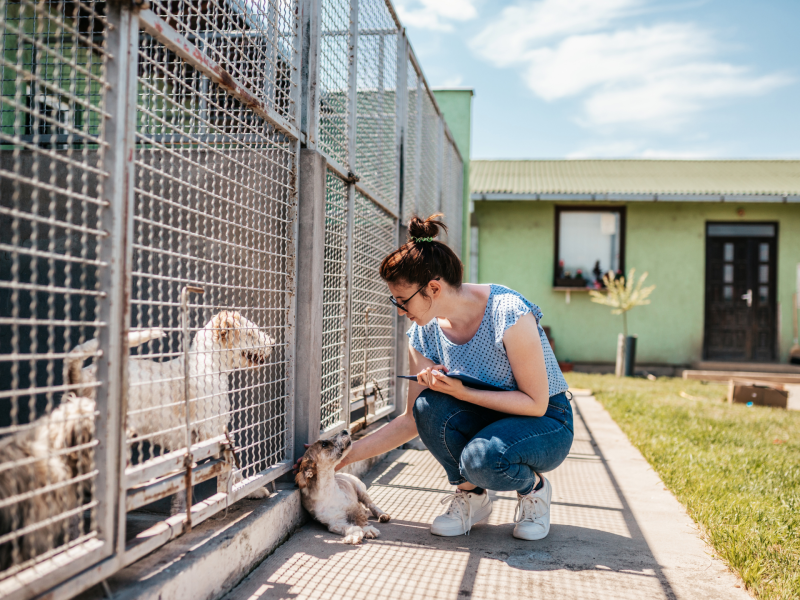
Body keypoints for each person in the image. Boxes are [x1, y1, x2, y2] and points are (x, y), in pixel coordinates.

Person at [302, 213, 574, 539]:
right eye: (395, 301)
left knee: (482, 458)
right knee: (427, 406)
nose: (400, 310)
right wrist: (342, 458)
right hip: (489, 418)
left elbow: (535, 403)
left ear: (433, 288)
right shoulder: (423, 333)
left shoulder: (508, 312)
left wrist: (461, 392)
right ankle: (471, 496)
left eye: (403, 301)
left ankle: (535, 490)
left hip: (545, 421)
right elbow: (411, 420)